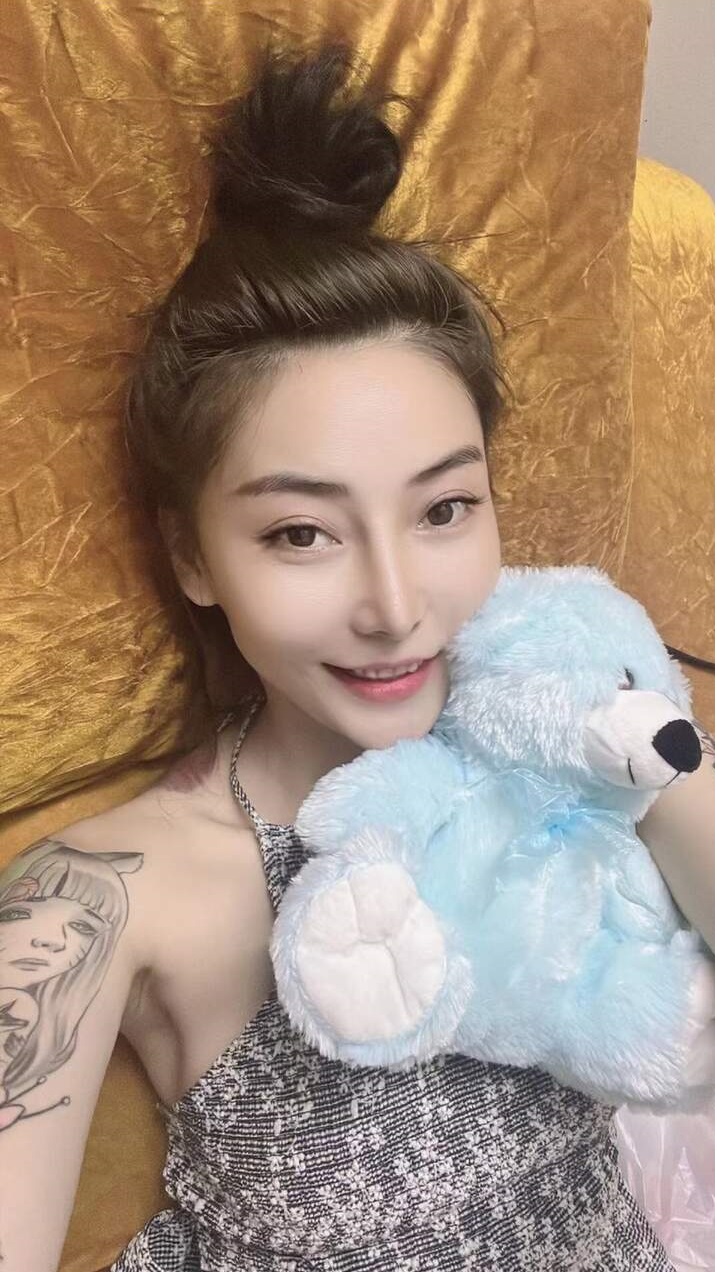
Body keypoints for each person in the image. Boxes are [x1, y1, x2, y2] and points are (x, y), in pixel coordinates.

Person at [1, 39, 713, 1272]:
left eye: (444, 510)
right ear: (191, 556)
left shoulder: (562, 760)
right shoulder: (107, 892)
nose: (394, 607)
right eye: (301, 532)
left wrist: (620, 734)